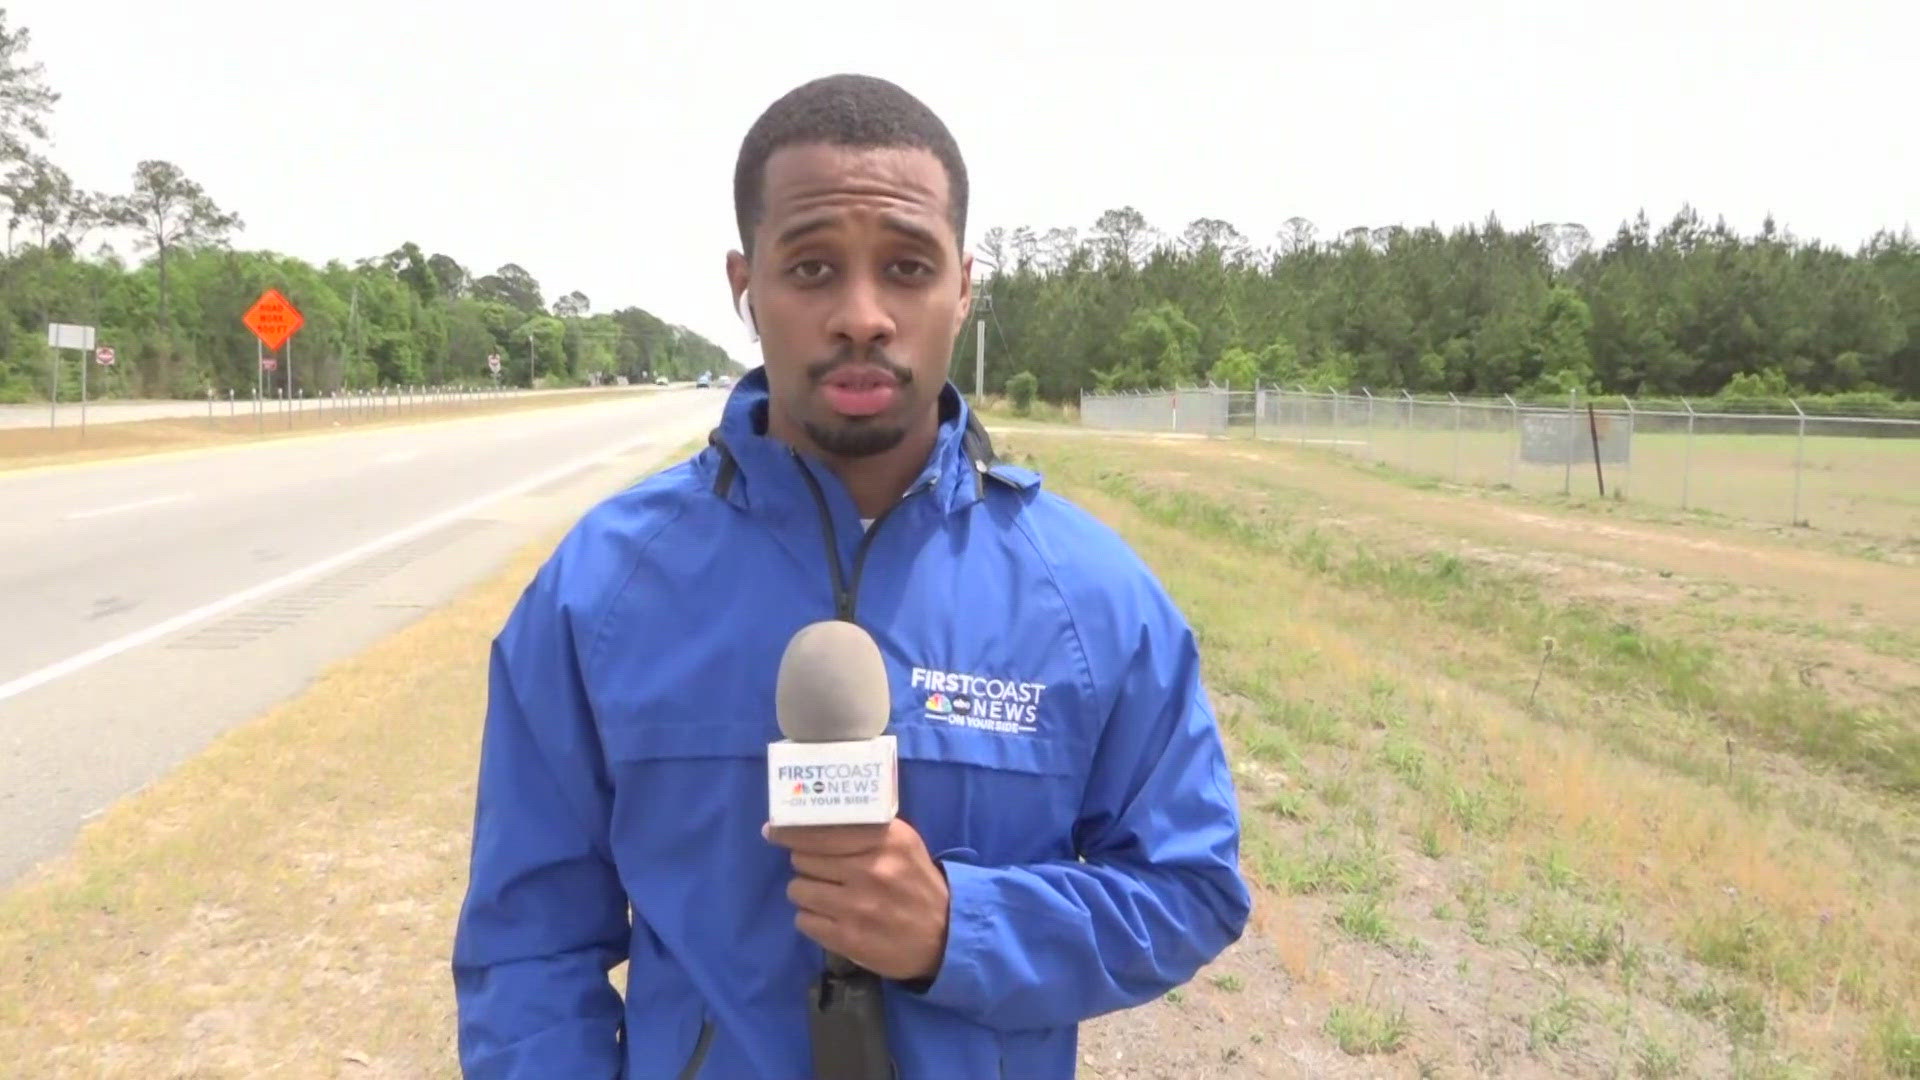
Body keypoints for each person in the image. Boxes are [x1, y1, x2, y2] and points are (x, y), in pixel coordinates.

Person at [450, 72, 1251, 1079]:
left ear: (964, 287)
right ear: (745, 286)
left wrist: (960, 927)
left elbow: (1189, 887)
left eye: (908, 268)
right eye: (813, 268)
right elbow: (526, 945)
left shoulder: (1092, 599)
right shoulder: (600, 590)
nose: (863, 316)